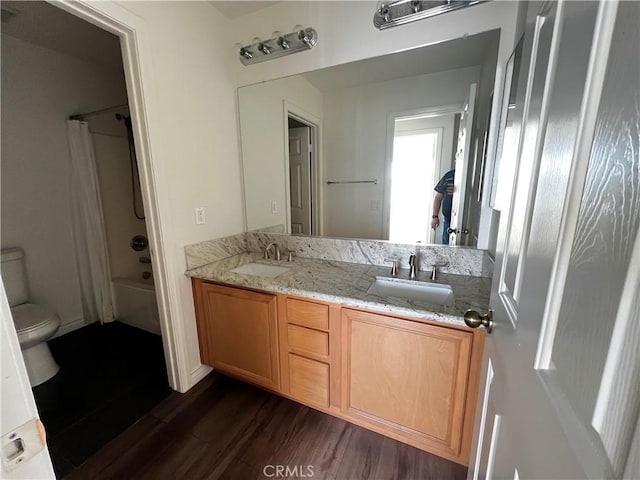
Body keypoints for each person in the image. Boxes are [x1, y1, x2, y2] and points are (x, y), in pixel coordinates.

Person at [431, 169, 455, 245]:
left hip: (467, 221)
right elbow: (438, 197)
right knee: (446, 248)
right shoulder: (449, 176)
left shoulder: (472, 174)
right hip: (448, 220)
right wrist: (435, 217)